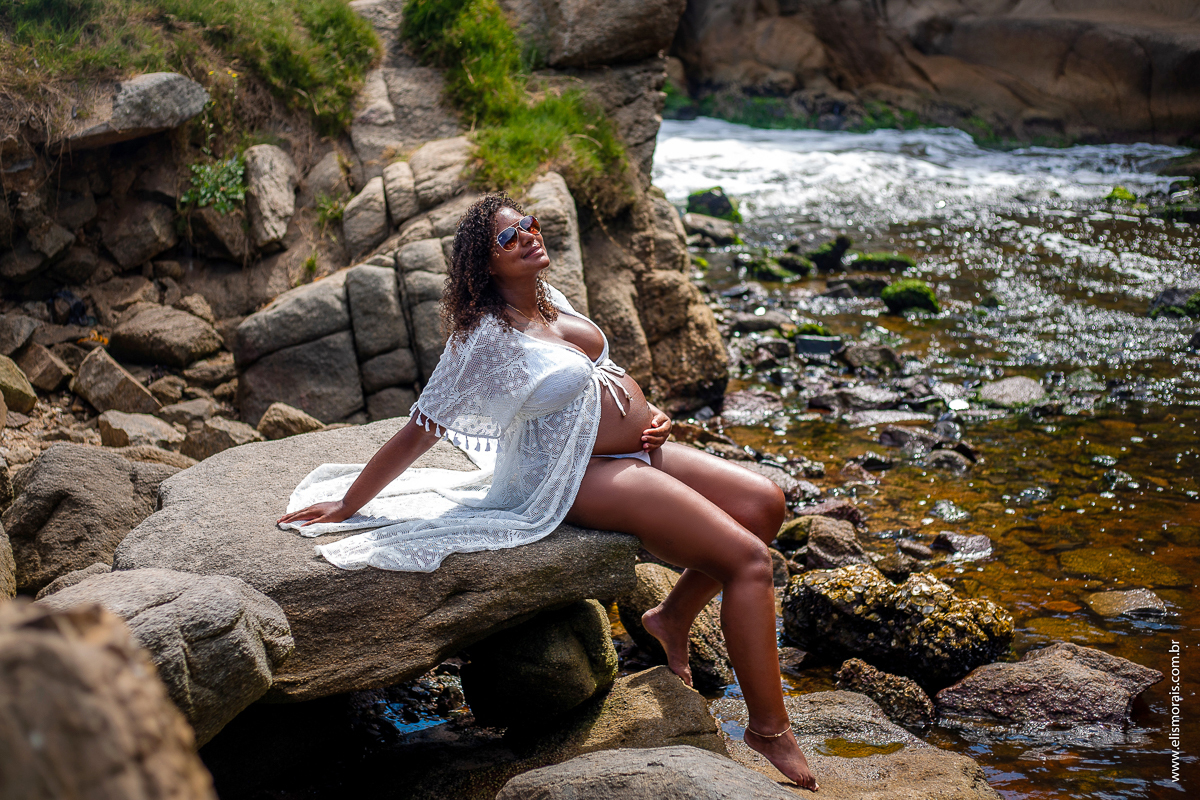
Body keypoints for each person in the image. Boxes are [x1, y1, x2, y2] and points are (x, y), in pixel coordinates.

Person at [278, 193, 819, 791]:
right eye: (510, 238)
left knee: (765, 503)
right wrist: (350, 504)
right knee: (748, 561)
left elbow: (605, 376)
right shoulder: (483, 339)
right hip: (576, 470)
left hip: (636, 445)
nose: (530, 236)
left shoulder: (549, 299)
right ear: (483, 268)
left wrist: (656, 413)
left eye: (529, 225)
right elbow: (420, 428)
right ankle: (769, 731)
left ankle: (672, 616)